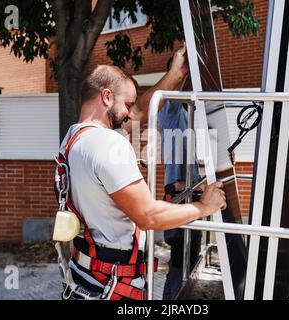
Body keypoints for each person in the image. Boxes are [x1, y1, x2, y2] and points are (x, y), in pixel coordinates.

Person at [57, 46, 226, 300]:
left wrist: (175, 75)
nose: (130, 112)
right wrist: (204, 207)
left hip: (86, 277)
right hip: (113, 287)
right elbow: (149, 215)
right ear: (106, 97)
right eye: (127, 104)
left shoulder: (73, 138)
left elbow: (138, 114)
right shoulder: (109, 145)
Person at [158, 58, 202, 300]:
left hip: (189, 192)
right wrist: (181, 67)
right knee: (179, 263)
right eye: (184, 75)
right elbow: (175, 85)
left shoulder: (183, 113)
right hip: (179, 194)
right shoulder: (169, 106)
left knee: (189, 261)